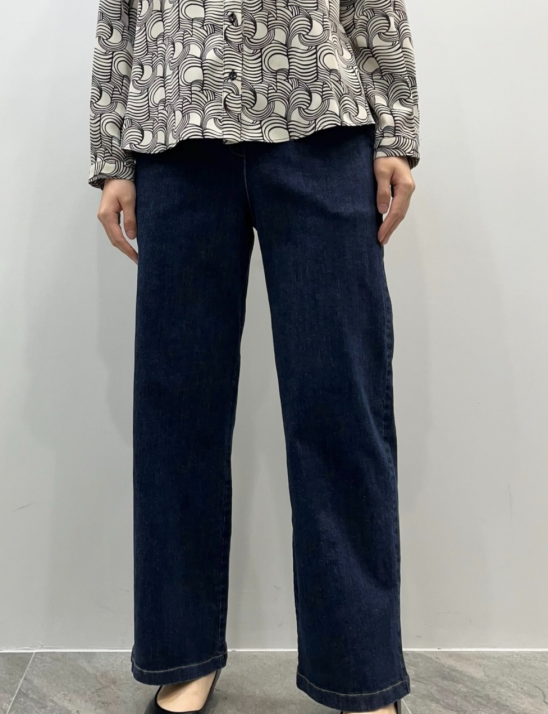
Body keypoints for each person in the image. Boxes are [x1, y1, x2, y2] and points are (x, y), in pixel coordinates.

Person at [89, 0, 420, 712]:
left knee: (340, 403)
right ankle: (183, 652)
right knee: (178, 411)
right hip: (176, 130)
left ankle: (360, 669)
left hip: (322, 125)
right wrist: (112, 155)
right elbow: (120, 14)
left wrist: (397, 131)